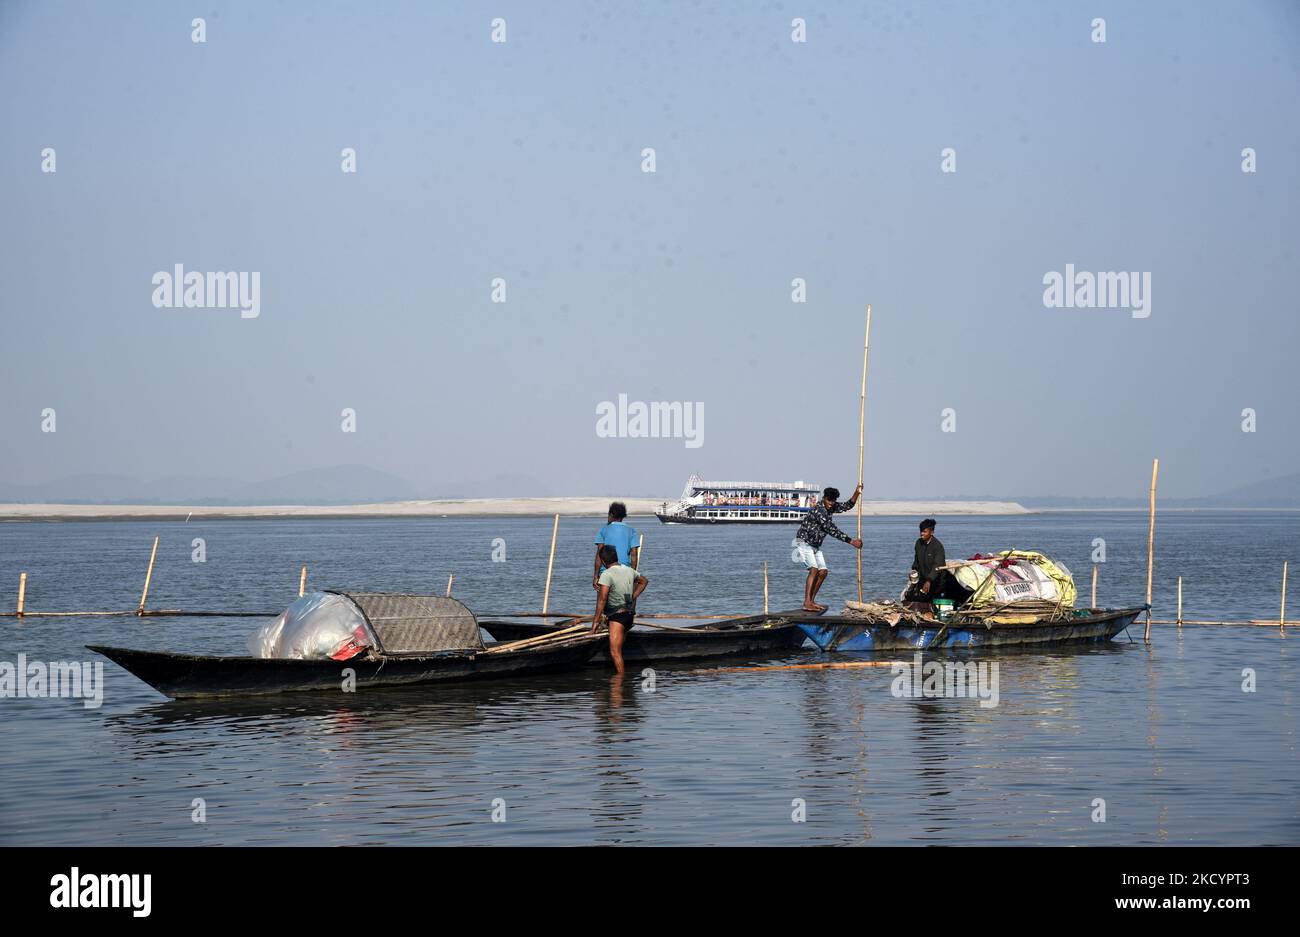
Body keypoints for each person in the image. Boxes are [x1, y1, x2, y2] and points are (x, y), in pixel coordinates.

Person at [793, 484, 863, 612]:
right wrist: (851, 541)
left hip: (815, 545)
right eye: (829, 500)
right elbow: (831, 529)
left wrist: (857, 492)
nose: (831, 503)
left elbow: (848, 505)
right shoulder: (820, 510)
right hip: (803, 542)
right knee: (813, 569)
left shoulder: (831, 506)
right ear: (824, 498)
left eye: (833, 501)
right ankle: (807, 602)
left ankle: (811, 601)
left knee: (823, 572)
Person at [590, 544, 648, 674]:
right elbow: (644, 581)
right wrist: (632, 596)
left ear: (604, 562)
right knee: (619, 649)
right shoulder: (628, 570)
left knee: (615, 652)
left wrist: (594, 623)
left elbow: (602, 599)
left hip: (618, 618)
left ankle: (620, 682)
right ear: (616, 557)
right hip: (628, 615)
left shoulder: (606, 574)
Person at [907, 518, 971, 605]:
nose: (922, 534)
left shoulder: (937, 546)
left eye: (925, 532)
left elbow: (938, 565)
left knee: (934, 601)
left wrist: (929, 580)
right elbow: (917, 560)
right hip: (923, 579)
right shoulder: (918, 543)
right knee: (916, 599)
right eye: (921, 531)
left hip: (937, 582)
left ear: (932, 532)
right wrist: (913, 571)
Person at [594, 501, 640, 590]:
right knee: (625, 601)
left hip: (606, 572)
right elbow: (634, 556)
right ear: (622, 517)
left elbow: (599, 554)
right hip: (625, 572)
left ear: (611, 514)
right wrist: (633, 574)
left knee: (602, 601)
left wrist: (596, 576)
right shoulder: (631, 531)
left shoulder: (603, 530)